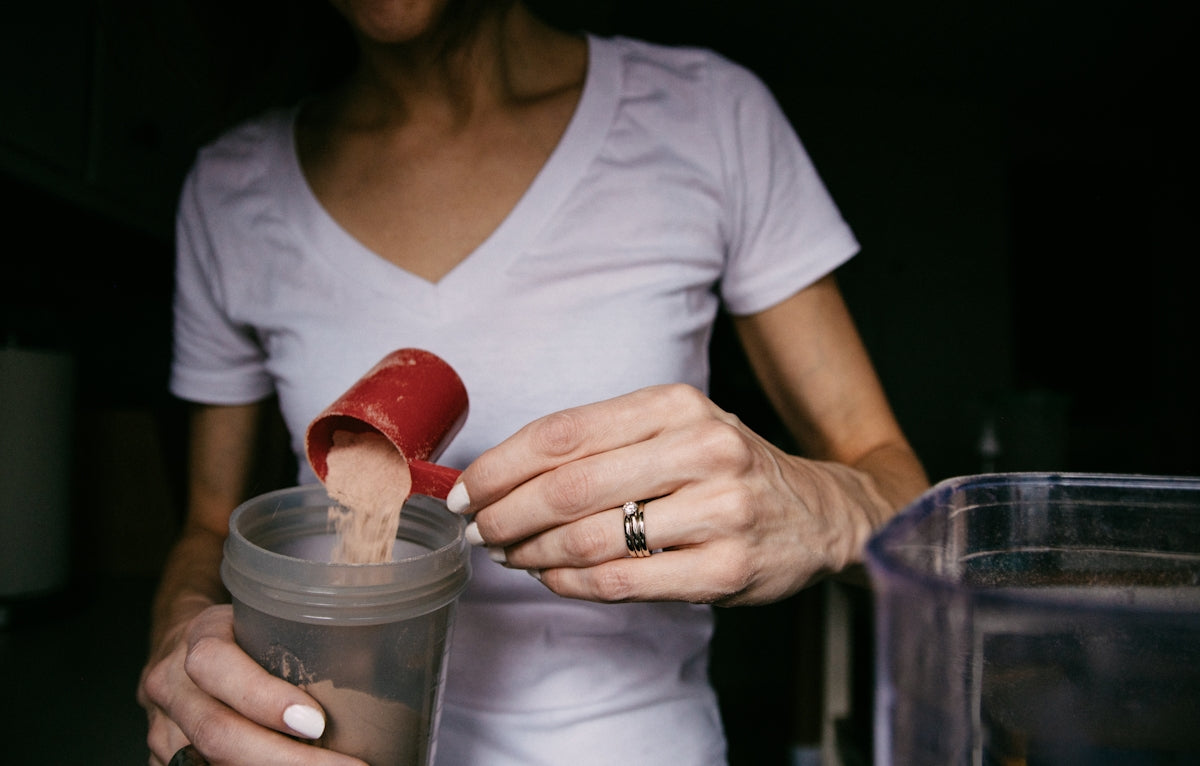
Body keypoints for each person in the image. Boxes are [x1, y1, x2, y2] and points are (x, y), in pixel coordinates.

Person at [137, 0, 929, 764]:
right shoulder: (230, 192)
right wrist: (181, 635)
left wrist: (825, 509)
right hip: (328, 741)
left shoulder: (709, 116)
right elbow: (211, 525)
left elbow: (894, 482)